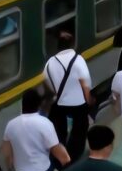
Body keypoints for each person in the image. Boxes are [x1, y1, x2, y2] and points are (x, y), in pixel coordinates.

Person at [40, 30, 95, 158]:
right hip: (78, 104)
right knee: (79, 131)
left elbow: (47, 83)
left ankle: (61, 156)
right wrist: (89, 100)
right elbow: (85, 83)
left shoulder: (49, 63)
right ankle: (75, 156)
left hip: (60, 103)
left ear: (58, 46)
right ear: (71, 45)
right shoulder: (78, 59)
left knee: (59, 131)